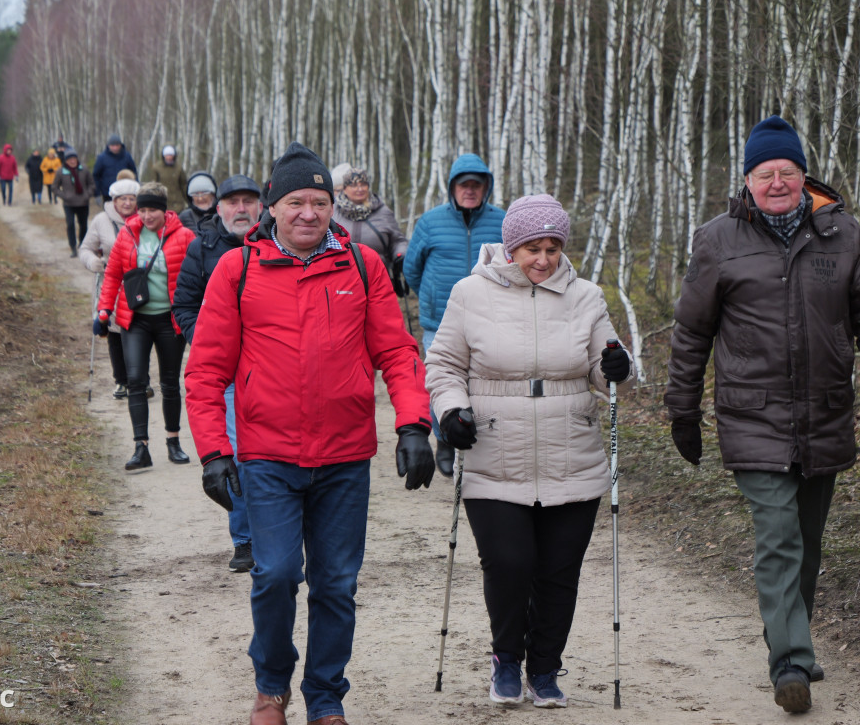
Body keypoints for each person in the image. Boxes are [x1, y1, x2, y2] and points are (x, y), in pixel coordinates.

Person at [184, 142, 436, 725]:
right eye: (295, 201)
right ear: (273, 207)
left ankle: (325, 698)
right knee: (273, 575)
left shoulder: (362, 266)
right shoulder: (237, 268)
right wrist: (214, 452)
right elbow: (206, 370)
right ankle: (272, 687)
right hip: (267, 455)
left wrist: (413, 423)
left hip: (344, 458)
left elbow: (397, 351)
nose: (308, 213)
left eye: (319, 202)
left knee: (336, 585)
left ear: (333, 208)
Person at [665, 114, 858, 714]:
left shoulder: (845, 235)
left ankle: (788, 636)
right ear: (746, 179)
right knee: (777, 537)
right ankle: (791, 660)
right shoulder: (718, 239)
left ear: (806, 176)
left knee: (806, 538)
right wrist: (683, 410)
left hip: (824, 412)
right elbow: (692, 332)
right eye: (765, 173)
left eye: (788, 171)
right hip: (753, 414)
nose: (777, 182)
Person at [425, 194, 634, 709]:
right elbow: (444, 364)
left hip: (573, 452)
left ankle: (544, 668)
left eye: (553, 247)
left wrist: (614, 367)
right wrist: (451, 412)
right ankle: (505, 660)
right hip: (495, 450)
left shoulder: (586, 296)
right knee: (510, 563)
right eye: (532, 248)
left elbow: (604, 365)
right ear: (511, 247)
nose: (543, 259)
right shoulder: (470, 293)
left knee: (559, 571)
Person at [173, 174, 263, 574]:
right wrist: (211, 340)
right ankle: (244, 540)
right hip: (227, 377)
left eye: (248, 201)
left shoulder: (277, 246)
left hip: (273, 371)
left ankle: (286, 535)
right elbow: (184, 306)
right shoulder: (202, 248)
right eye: (232, 202)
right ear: (219, 208)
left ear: (262, 206)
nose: (240, 209)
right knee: (238, 458)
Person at [403, 153, 506, 476]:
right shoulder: (430, 222)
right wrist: (432, 299)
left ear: (486, 188)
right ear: (453, 188)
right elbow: (412, 269)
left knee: (482, 385)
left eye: (477, 185)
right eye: (464, 185)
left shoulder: (502, 221)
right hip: (439, 322)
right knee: (439, 383)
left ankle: (481, 445)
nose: (470, 190)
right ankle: (445, 438)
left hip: (491, 318)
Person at [97, 182, 195, 471]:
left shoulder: (185, 236)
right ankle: (141, 448)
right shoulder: (127, 234)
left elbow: (194, 277)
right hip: (135, 319)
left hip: (169, 319)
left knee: (169, 382)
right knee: (136, 381)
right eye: (142, 209)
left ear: (164, 210)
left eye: (152, 209)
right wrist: (104, 309)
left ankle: (173, 441)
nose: (146, 215)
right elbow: (113, 274)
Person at [80, 172, 153, 401]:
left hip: (140, 282)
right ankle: (121, 381)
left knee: (140, 331)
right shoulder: (101, 220)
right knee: (113, 332)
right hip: (111, 282)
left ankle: (141, 381)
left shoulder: (146, 219)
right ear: (114, 200)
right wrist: (94, 262)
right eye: (123, 199)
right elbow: (85, 249)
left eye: (132, 198)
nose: (128, 203)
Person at [331, 166, 409, 295]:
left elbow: (398, 241)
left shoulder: (383, 212)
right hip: (341, 281)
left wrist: (400, 255)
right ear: (344, 188)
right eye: (354, 185)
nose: (360, 189)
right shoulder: (333, 212)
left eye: (363, 184)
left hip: (377, 279)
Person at [52, 149, 95, 257]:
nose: (72, 161)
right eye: (70, 159)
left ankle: (82, 244)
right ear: (66, 161)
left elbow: (92, 184)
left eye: (74, 158)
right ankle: (73, 247)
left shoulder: (84, 169)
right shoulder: (61, 171)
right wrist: (64, 196)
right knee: (70, 225)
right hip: (69, 204)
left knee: (83, 225)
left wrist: (87, 195)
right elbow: (54, 187)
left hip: (83, 203)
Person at [93, 133, 138, 202]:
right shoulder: (101, 158)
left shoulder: (127, 156)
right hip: (108, 193)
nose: (115, 148)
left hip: (125, 192)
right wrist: (97, 194)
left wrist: (137, 187)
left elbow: (134, 172)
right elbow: (96, 176)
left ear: (120, 145)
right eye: (112, 145)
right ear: (108, 146)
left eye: (117, 145)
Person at [178, 171, 218, 235]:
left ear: (213, 194)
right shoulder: (185, 217)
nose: (200, 198)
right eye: (195, 194)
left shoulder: (222, 214)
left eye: (204, 193)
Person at [150, 144, 189, 210]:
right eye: (167, 155)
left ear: (174, 156)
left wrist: (189, 200)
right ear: (163, 156)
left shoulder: (179, 168)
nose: (169, 157)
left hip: (177, 203)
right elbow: (153, 186)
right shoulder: (156, 168)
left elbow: (184, 185)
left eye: (171, 155)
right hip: (162, 201)